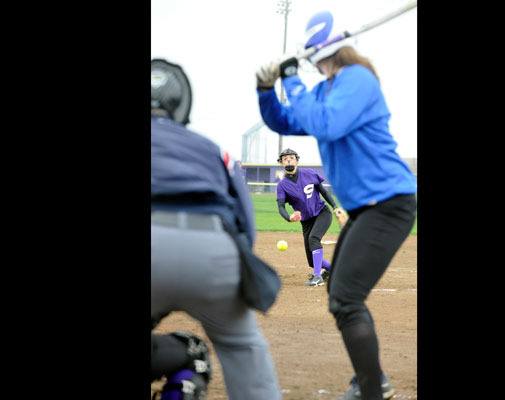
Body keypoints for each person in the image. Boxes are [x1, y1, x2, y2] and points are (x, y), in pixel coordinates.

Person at [255, 10, 417, 400]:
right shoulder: (325, 93)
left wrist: (292, 79)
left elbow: (326, 124)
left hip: (390, 202)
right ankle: (371, 378)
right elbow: (286, 121)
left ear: (323, 53)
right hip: (368, 208)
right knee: (340, 295)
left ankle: (371, 386)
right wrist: (264, 89)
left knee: (345, 297)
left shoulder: (357, 81)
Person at [151, 58, 281, 400]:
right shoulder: (212, 149)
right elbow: (245, 222)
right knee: (243, 347)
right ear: (181, 105)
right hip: (211, 250)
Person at [275, 147, 339, 286]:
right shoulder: (282, 185)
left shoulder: (309, 173)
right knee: (311, 260)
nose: (288, 160)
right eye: (285, 159)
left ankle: (317, 277)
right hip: (306, 221)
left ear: (297, 160)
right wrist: (289, 217)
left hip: (322, 213)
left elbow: (324, 192)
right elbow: (281, 206)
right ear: (281, 163)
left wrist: (335, 207)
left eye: (291, 158)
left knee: (314, 239)